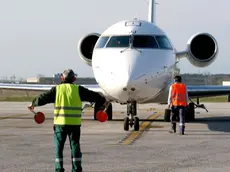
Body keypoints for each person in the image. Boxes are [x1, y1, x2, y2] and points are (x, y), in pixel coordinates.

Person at [28, 69, 106, 172]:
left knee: (59, 149)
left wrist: (33, 104)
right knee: (75, 147)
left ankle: (59, 169)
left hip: (60, 125)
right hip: (74, 125)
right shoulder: (79, 90)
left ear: (62, 78)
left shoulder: (57, 90)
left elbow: (43, 98)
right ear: (74, 79)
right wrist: (101, 104)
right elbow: (98, 97)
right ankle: (76, 168)